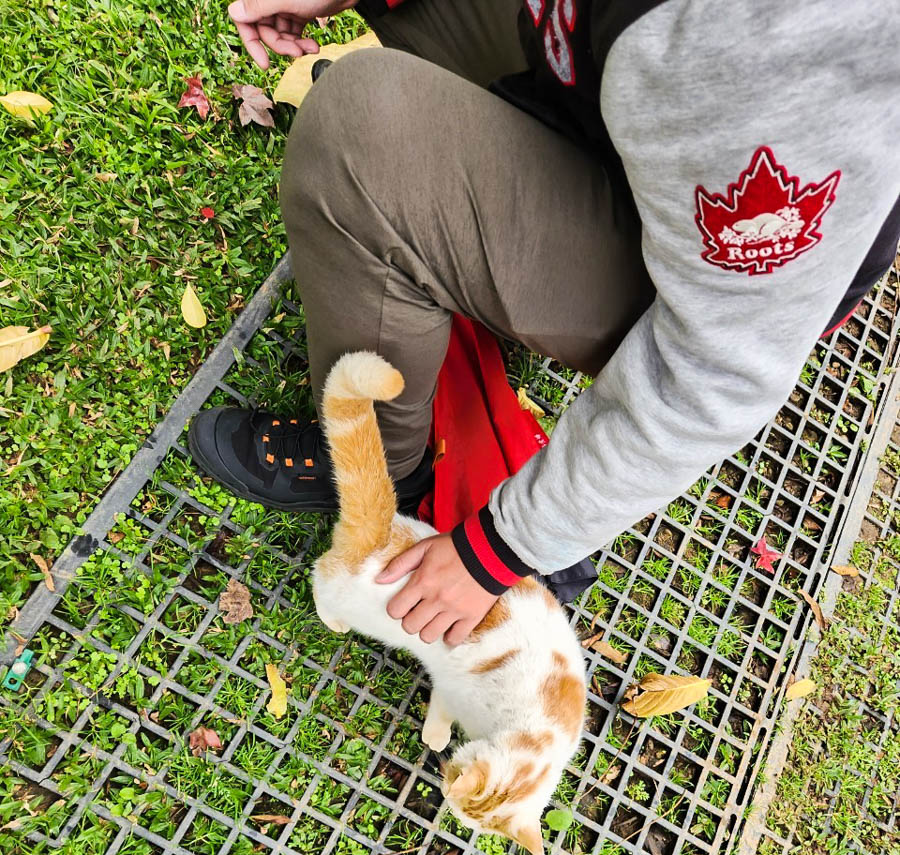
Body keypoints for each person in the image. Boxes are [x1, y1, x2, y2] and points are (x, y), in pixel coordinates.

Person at [189, 0, 900, 648]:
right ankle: (461, 237)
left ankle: (379, 467)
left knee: (360, 134)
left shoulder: (778, 54)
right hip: (608, 63)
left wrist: (498, 548)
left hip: (695, 262)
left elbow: (710, 378)